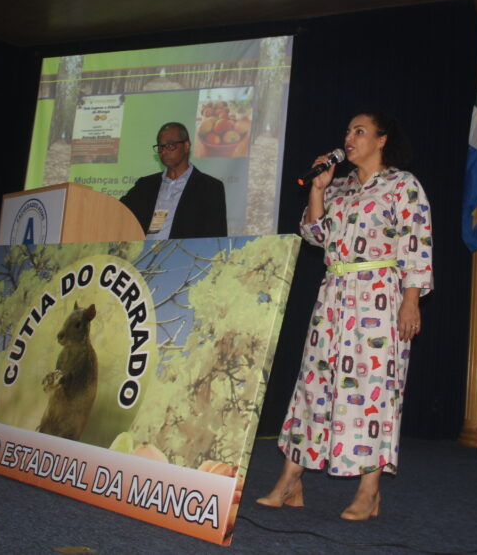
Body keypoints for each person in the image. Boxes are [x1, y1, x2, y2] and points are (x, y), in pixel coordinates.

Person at [257, 109, 433, 520]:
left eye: (359, 131)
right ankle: (290, 482)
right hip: (333, 295)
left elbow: (417, 244)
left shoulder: (402, 185)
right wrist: (318, 188)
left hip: (378, 299)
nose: (349, 138)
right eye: (347, 131)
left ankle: (369, 490)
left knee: (373, 392)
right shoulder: (340, 187)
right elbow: (315, 235)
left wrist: (411, 301)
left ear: (382, 138)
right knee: (313, 386)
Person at [120, 122, 228, 239]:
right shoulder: (145, 185)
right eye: (160, 146)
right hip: (144, 255)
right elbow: (119, 211)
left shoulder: (210, 188)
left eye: (170, 145)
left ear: (186, 146)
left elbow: (215, 236)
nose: (164, 151)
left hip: (178, 254)